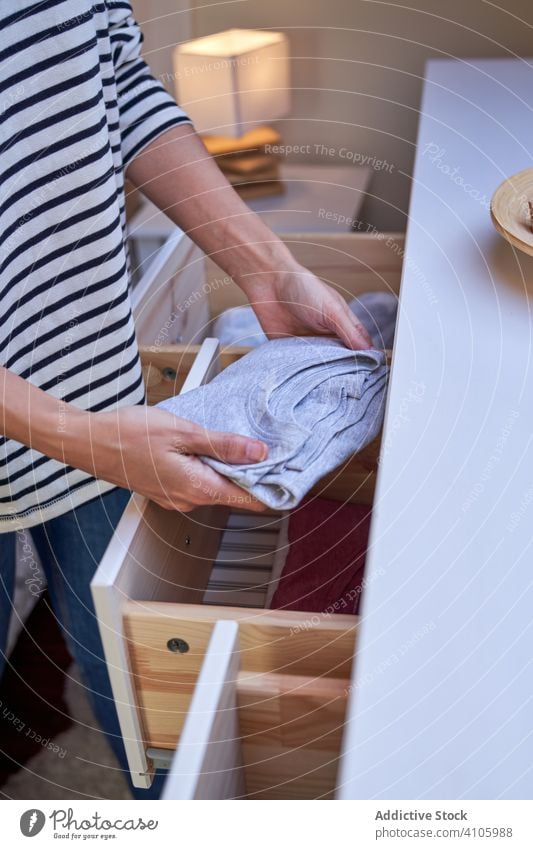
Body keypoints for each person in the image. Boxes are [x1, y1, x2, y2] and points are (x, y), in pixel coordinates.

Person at [0, 1, 371, 797]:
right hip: (79, 421)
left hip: (97, 379)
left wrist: (265, 267)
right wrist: (70, 434)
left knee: (138, 695)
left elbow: (117, 83)